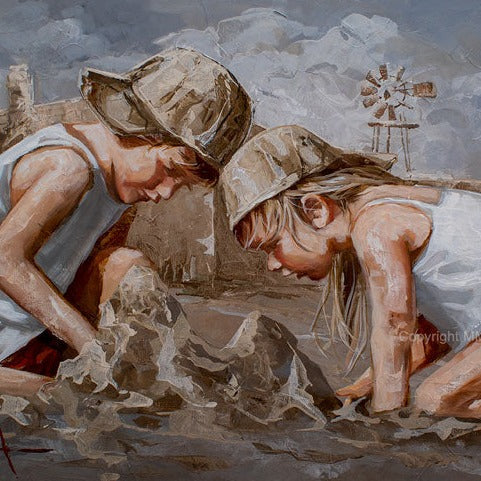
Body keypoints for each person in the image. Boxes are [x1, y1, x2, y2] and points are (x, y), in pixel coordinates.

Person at [0, 47, 253, 397]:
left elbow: (87, 278)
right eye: (169, 170)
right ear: (137, 129)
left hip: (28, 335)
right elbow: (5, 260)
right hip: (9, 331)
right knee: (64, 397)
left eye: (181, 185)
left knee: (126, 266)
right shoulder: (69, 168)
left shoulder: (120, 193)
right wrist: (90, 345)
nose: (166, 192)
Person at [220, 124, 481, 419]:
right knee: (438, 398)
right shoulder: (387, 209)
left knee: (436, 400)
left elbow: (395, 325)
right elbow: (433, 334)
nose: (272, 264)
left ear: (315, 211)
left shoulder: (375, 226)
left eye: (272, 245)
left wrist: (385, 417)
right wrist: (365, 385)